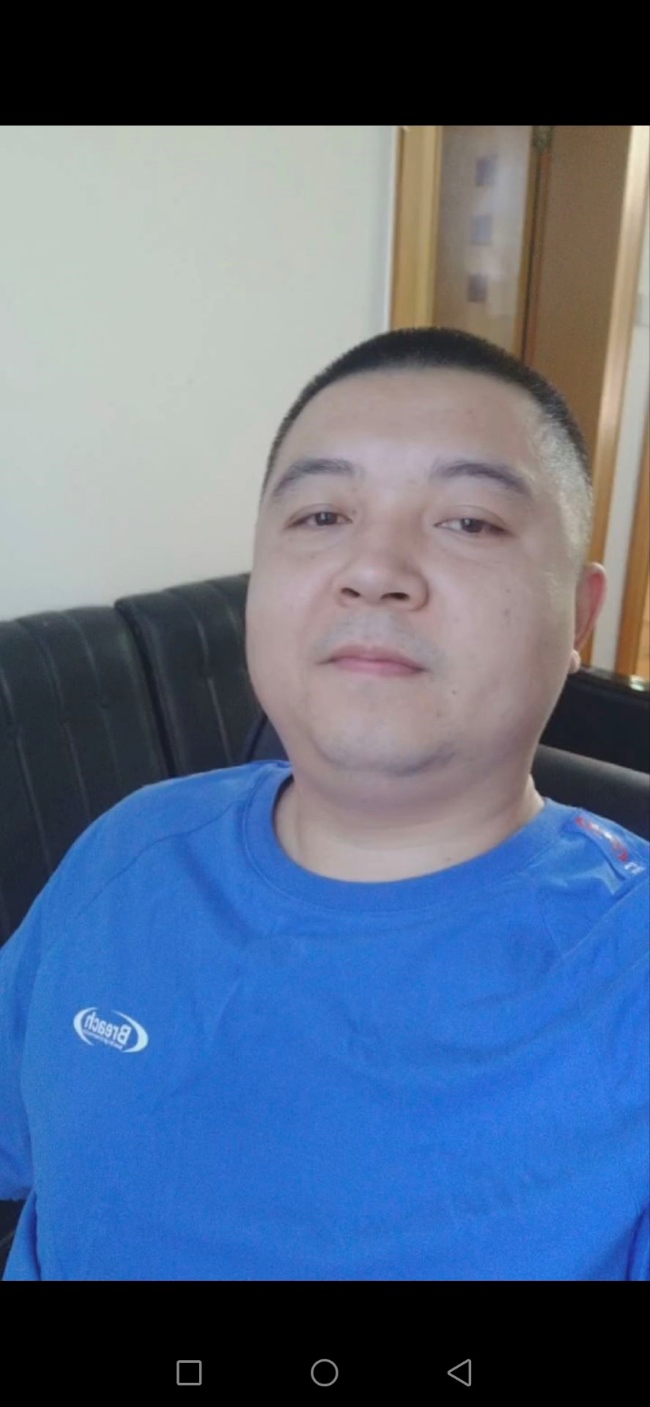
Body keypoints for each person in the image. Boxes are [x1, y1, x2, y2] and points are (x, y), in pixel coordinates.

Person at [1, 327, 647, 1281]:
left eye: (470, 521)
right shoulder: (128, 851)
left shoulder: (628, 976)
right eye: (320, 515)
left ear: (580, 615)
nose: (373, 568)